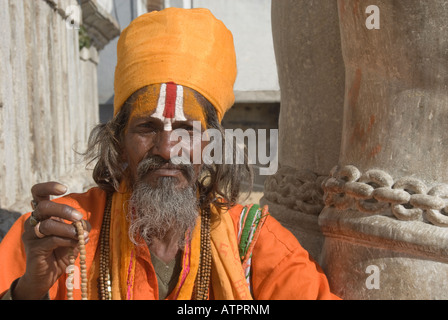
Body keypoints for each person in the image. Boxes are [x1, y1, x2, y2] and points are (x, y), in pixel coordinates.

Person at [0, 7, 339, 300]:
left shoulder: (251, 241)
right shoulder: (60, 230)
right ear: (118, 141)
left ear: (210, 144)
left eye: (185, 130)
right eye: (147, 127)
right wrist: (28, 288)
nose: (165, 149)